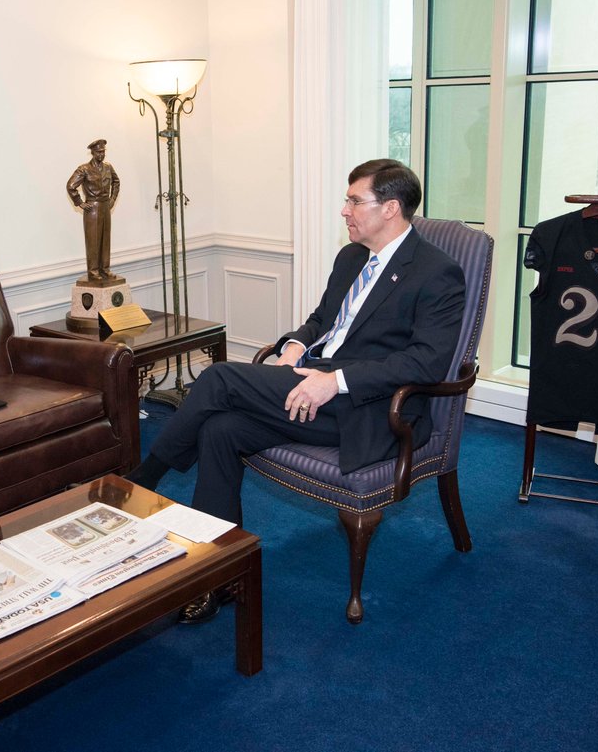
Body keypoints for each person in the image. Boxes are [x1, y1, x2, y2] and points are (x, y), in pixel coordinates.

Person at [126, 159, 466, 623]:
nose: (343, 210)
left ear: (390, 208)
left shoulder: (436, 272)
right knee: (221, 430)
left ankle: (142, 481)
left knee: (219, 378)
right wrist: (295, 346)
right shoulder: (351, 257)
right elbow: (325, 320)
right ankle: (218, 574)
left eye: (353, 201)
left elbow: (426, 361)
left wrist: (336, 381)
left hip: (370, 408)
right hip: (315, 382)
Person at [66, 139, 121, 282]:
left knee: (105, 240)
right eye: (98, 152)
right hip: (93, 209)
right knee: (93, 241)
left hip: (105, 207)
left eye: (103, 152)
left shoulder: (108, 167)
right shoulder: (84, 169)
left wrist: (112, 199)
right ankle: (93, 271)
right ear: (92, 152)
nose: (101, 154)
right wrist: (79, 202)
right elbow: (71, 186)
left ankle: (105, 269)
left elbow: (116, 182)